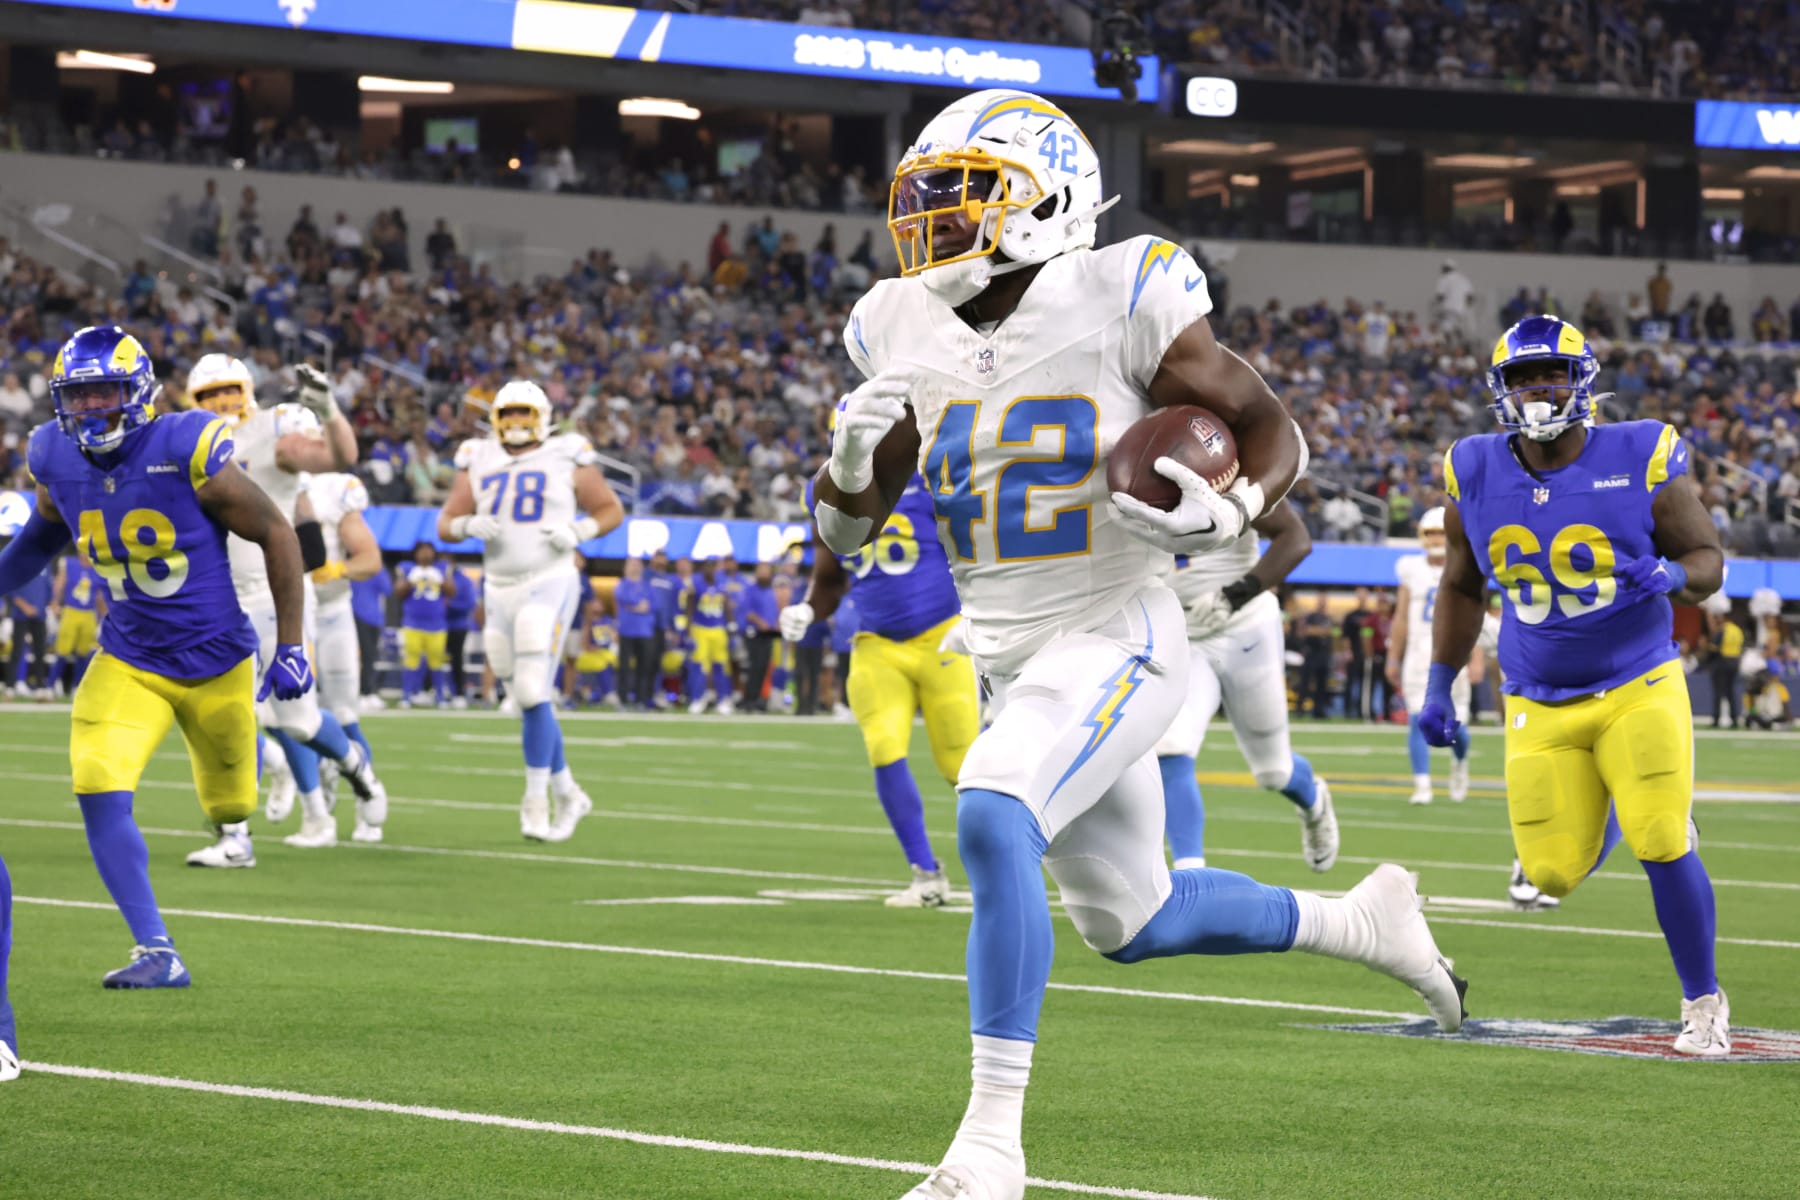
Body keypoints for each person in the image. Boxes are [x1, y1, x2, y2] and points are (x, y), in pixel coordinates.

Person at [813, 90, 1464, 1197]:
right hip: (1013, 653)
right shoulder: (894, 320)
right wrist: (841, 475)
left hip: (1120, 629)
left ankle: (987, 1149)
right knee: (1136, 920)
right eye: (926, 195)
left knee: (990, 806)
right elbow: (848, 527)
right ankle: (1364, 921)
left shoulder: (1124, 286)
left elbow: (1270, 428)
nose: (932, 219)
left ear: (1051, 199)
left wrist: (1239, 506)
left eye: (965, 194)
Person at [1422, 314, 1730, 1056]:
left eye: (1549, 374)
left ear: (1580, 380)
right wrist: (1440, 684)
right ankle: (1628, 810)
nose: (1536, 389)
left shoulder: (1641, 451)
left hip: (1637, 679)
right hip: (1536, 694)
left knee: (1662, 838)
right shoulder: (1472, 466)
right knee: (1550, 872)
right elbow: (1463, 586)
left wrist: (1673, 576)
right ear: (1500, 390)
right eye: (1522, 378)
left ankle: (1704, 1004)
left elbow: (1709, 556)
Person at [0, 325, 314, 985]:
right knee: (96, 781)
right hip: (129, 657)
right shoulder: (54, 453)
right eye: (77, 397)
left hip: (217, 661)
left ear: (137, 390)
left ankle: (253, 791)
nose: (88, 410)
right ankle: (156, 950)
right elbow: (39, 541)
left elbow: (276, 532)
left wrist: (291, 645)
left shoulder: (184, 444)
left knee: (230, 805)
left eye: (103, 393)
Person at [186, 354, 386, 859]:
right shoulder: (183, 446)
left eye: (228, 391)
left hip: (274, 595)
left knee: (298, 721)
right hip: (218, 599)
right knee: (230, 715)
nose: (221, 403)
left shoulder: (271, 432)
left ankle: (354, 762)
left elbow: (334, 456)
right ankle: (235, 836)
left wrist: (330, 411)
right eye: (209, 396)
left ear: (248, 390)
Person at [782, 473, 980, 907]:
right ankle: (926, 874)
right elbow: (830, 578)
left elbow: (977, 545)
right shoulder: (826, 491)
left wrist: (977, 613)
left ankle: (1033, 863)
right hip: (876, 643)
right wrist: (807, 607)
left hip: (942, 634)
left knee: (963, 766)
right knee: (884, 747)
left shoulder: (931, 478)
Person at [438, 379, 623, 841]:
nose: (517, 424)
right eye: (509, 415)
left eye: (525, 414)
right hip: (498, 586)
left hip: (549, 578)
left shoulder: (567, 452)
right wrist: (464, 524)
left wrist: (580, 532)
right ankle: (569, 792)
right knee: (522, 694)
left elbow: (610, 508)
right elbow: (445, 522)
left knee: (530, 688)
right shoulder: (477, 455)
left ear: (542, 417)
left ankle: (536, 799)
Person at [1155, 501, 1339, 873]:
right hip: (1179, 632)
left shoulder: (1222, 467)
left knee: (1274, 771)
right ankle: (1192, 875)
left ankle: (1314, 799)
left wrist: (1235, 593)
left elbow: (1296, 539)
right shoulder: (1120, 471)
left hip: (1244, 624)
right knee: (1171, 746)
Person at [298, 471, 382, 828]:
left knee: (345, 714)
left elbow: (370, 559)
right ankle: (317, 798)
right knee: (296, 716)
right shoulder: (254, 472)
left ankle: (367, 797)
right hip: (288, 610)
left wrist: (338, 568)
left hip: (331, 612)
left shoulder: (332, 489)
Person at [1388, 506, 1484, 806]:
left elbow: (1474, 616)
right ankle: (1422, 785)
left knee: (1458, 727)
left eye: (1440, 532)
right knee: (1417, 719)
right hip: (1418, 656)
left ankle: (1459, 761)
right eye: (1430, 532)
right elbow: (1401, 616)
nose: (1435, 538)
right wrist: (1394, 656)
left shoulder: (1467, 564)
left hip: (1455, 653)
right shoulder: (1410, 569)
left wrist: (1477, 656)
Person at [396, 541, 456, 708]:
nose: (425, 554)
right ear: (415, 553)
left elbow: (452, 592)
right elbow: (398, 592)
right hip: (413, 622)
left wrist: (441, 580)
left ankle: (439, 696)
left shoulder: (442, 568)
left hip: (436, 623)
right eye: (422, 551)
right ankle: (407, 695)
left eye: (428, 550)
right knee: (411, 659)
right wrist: (410, 581)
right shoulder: (407, 568)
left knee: (437, 660)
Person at [49, 550, 104, 697]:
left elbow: (99, 596)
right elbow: (59, 583)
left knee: (84, 652)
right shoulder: (68, 563)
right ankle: (51, 685)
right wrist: (55, 602)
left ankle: (77, 686)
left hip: (89, 612)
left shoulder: (97, 568)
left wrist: (103, 617)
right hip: (71, 610)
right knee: (62, 650)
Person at [685, 557, 734, 713]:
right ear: (702, 569)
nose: (710, 570)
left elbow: (726, 604)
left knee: (721, 666)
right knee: (698, 666)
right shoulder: (696, 584)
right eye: (707, 567)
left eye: (712, 567)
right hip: (700, 628)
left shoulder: (722, 583)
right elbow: (690, 607)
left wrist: (731, 622)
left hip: (718, 629)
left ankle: (723, 699)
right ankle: (698, 698)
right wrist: (688, 629)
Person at [614, 556, 656, 709]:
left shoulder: (647, 586)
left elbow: (653, 605)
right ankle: (623, 700)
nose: (635, 567)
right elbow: (626, 599)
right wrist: (638, 606)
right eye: (631, 564)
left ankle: (641, 700)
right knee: (624, 667)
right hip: (626, 630)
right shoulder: (622, 585)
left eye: (637, 564)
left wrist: (636, 606)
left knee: (644, 668)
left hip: (645, 631)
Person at [351, 559, 393, 708]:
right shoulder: (353, 566)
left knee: (370, 656)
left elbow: (387, 588)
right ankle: (363, 692)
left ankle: (367, 691)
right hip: (357, 615)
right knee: (363, 656)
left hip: (373, 618)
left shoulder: (376, 568)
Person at [6, 561, 50, 698]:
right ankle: (10, 687)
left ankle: (40, 688)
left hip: (40, 614)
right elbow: (10, 588)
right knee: (17, 650)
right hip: (21, 614)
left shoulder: (45, 564)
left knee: (40, 651)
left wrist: (44, 606)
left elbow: (48, 588)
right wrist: (24, 606)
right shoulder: (19, 562)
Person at [740, 562, 780, 711]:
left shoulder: (770, 590)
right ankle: (748, 700)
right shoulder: (750, 589)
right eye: (761, 570)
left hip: (768, 634)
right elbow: (747, 611)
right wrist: (760, 622)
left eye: (766, 571)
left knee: (763, 667)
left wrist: (776, 623)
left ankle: (758, 699)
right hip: (754, 633)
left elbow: (773, 611)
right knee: (753, 667)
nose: (764, 574)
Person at [444, 555, 479, 708]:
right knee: (433, 659)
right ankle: (433, 691)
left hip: (458, 625)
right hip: (437, 625)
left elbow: (470, 603)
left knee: (456, 659)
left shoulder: (464, 580)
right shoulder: (433, 577)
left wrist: (450, 605)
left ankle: (458, 693)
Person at [572, 596, 619, 705]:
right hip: (589, 653)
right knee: (603, 662)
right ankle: (608, 693)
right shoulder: (584, 621)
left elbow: (615, 639)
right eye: (594, 603)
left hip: (607, 652)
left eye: (599, 603)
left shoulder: (609, 621)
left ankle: (610, 692)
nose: (597, 605)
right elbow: (584, 643)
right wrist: (593, 649)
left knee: (611, 659)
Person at [1296, 593, 1335, 716]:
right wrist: (1322, 631)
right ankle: (1300, 708)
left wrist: (1318, 631)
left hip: (1324, 654)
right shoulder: (1311, 617)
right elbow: (1306, 631)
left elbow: (1335, 633)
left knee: (1322, 684)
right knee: (1305, 682)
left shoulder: (1328, 618)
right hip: (1311, 653)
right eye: (1320, 600)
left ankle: (1319, 710)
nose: (1322, 603)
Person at [1706, 610, 1743, 728]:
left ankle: (1716, 718)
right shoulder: (1738, 630)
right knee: (1731, 691)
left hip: (1722, 662)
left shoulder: (1722, 630)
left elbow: (1714, 647)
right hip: (1735, 662)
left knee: (1718, 692)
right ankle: (1734, 718)